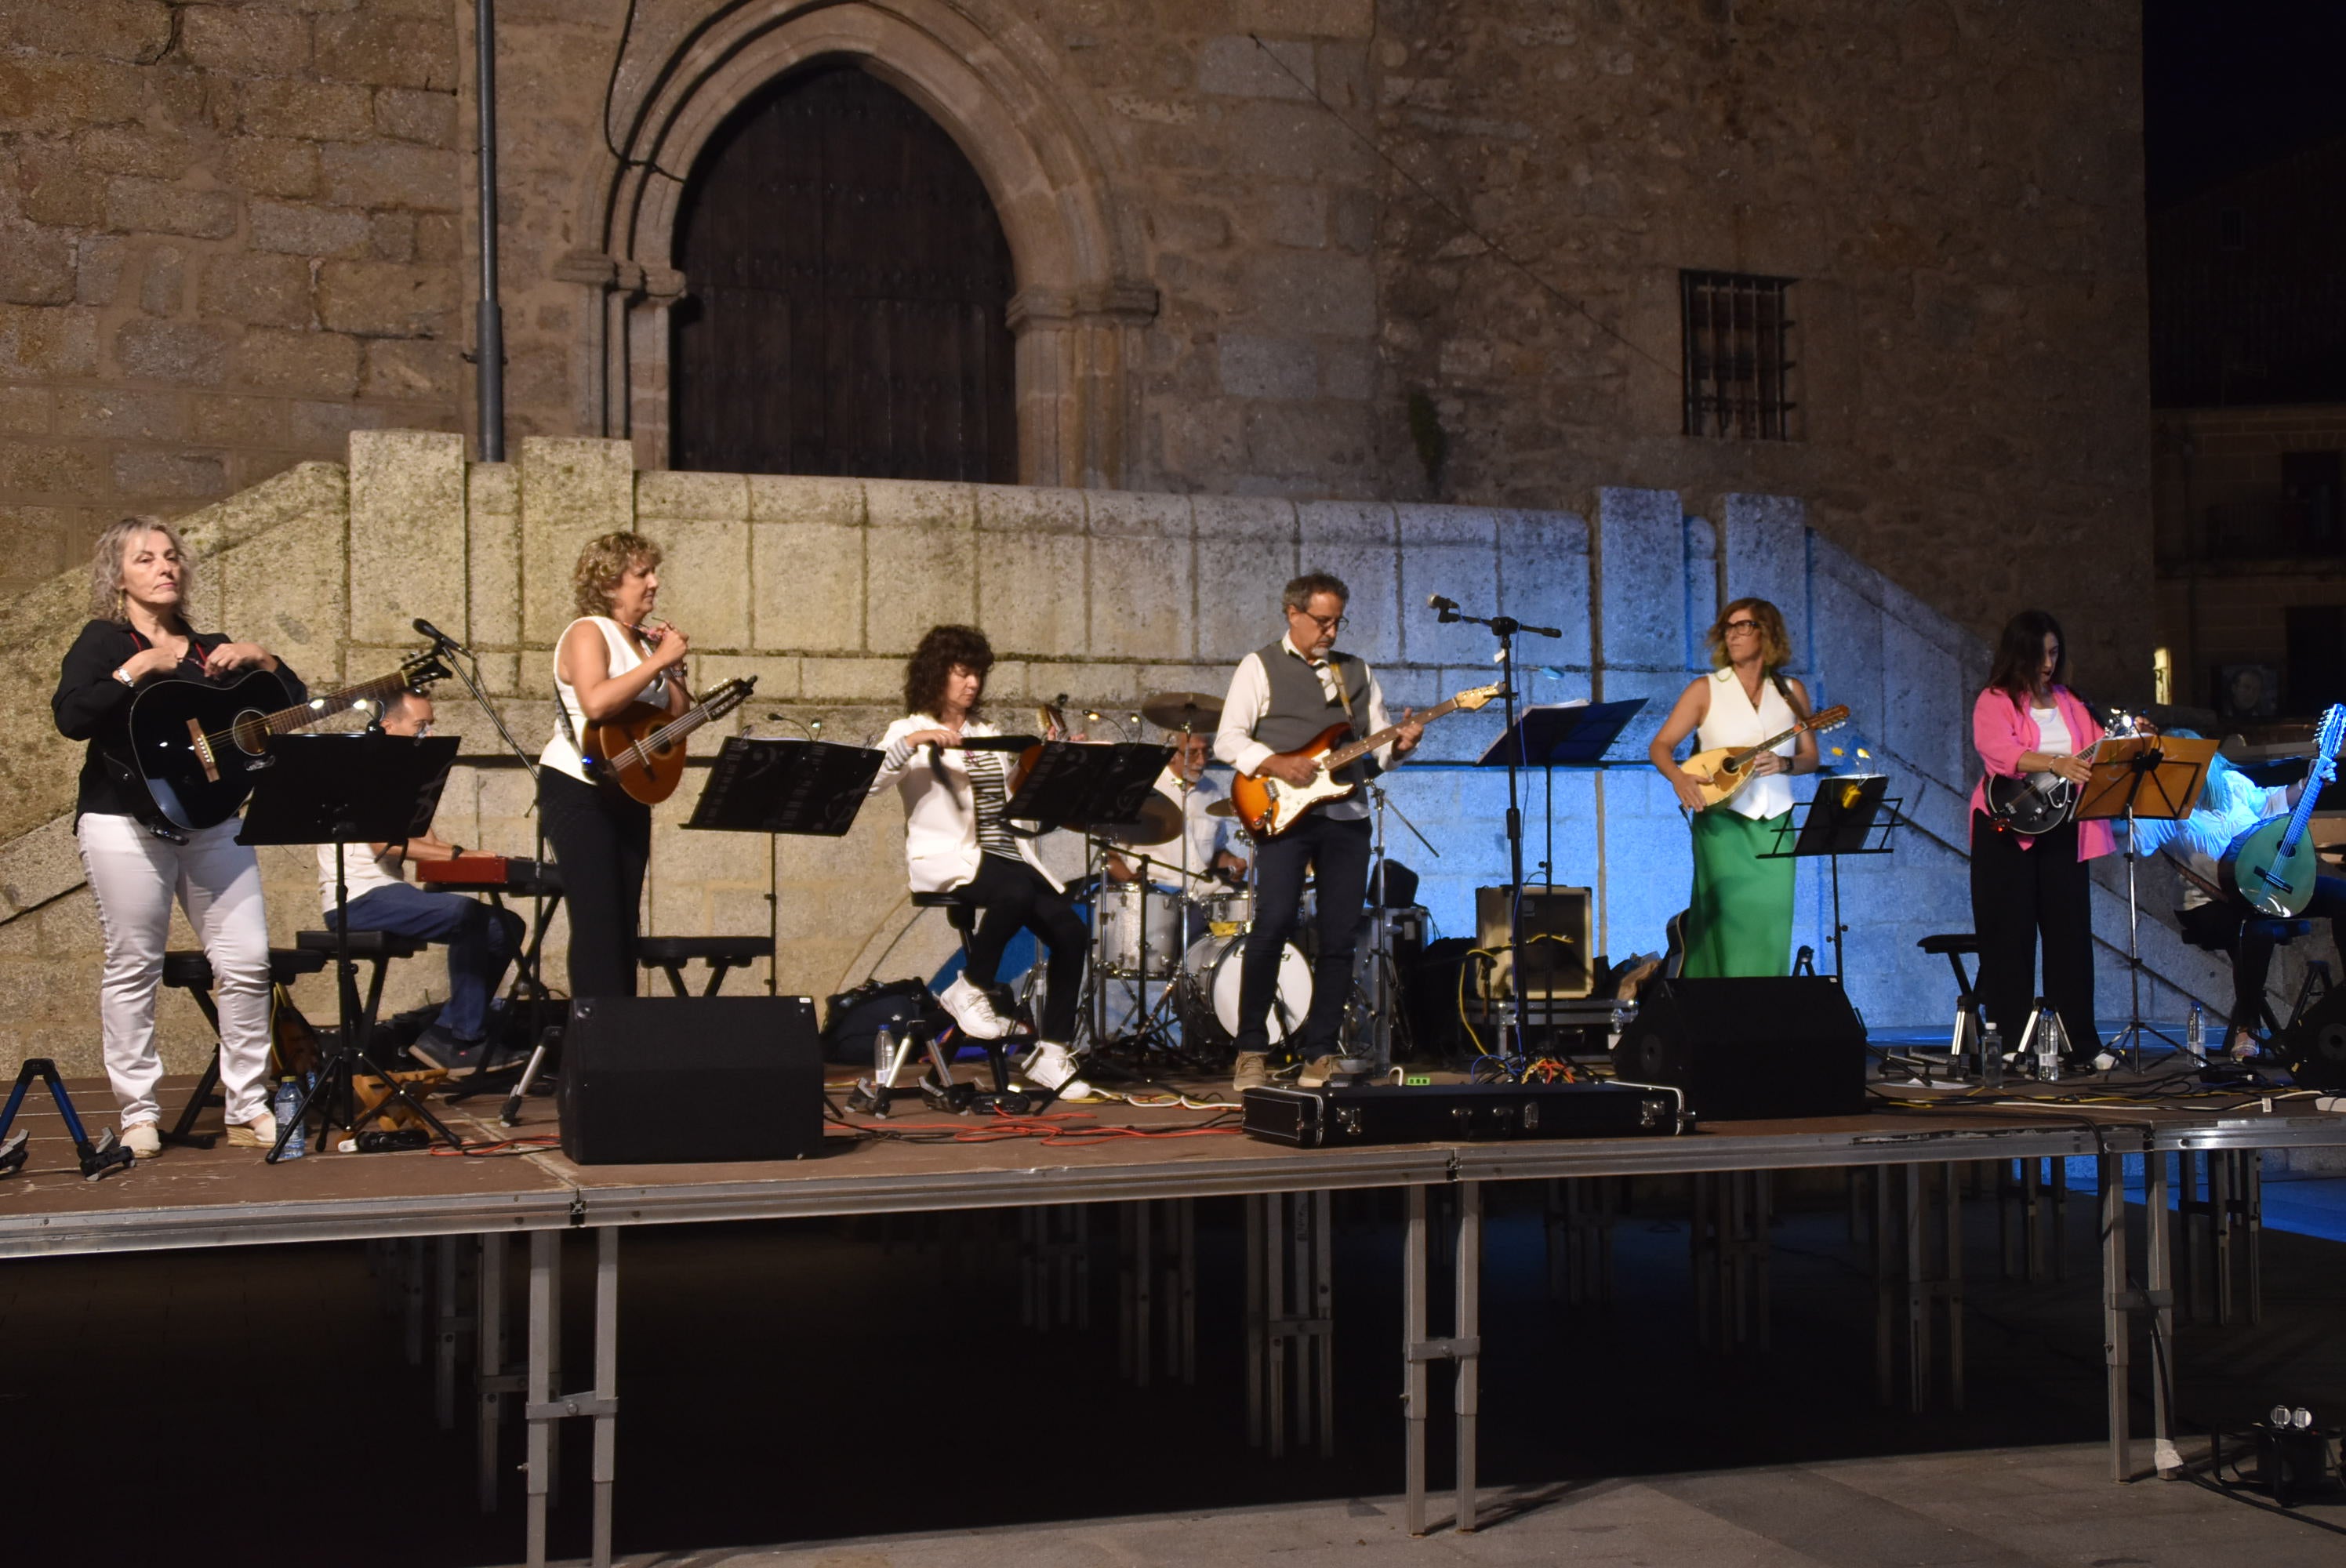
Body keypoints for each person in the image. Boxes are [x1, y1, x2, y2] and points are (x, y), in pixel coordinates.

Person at [52, 517, 301, 1157]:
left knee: (247, 962)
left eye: (171, 557)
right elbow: (71, 716)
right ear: (120, 576)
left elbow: (295, 711)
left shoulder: (211, 648)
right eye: (146, 559)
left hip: (216, 821)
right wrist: (137, 668)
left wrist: (266, 660)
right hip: (123, 821)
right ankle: (139, 1113)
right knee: (134, 963)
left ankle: (249, 1106)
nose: (165, 567)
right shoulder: (105, 641)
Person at [1215, 572, 1422, 1089]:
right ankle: (1251, 1051)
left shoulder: (1357, 671)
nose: (1331, 631)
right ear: (1293, 614)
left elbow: (1373, 754)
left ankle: (1320, 1053)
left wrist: (1398, 749)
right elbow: (1227, 741)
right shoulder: (1258, 666)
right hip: (1283, 815)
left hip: (1346, 817)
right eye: (1322, 620)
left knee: (1340, 937)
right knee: (1274, 923)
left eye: (1337, 621)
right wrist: (1278, 764)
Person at [871, 624, 1090, 1090]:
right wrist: (915, 742)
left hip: (1005, 853)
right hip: (948, 858)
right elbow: (869, 782)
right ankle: (969, 987)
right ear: (937, 673)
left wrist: (1056, 761)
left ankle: (1052, 1051)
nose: (973, 684)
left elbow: (1010, 796)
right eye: (963, 673)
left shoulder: (983, 733)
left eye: (978, 675)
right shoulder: (907, 729)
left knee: (1072, 932)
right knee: (1010, 891)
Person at [318, 689, 527, 1076]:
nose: (428, 736)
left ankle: (447, 1033)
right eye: (421, 726)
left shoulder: (405, 783)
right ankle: (463, 1038)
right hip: (358, 900)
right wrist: (466, 856)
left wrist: (492, 859)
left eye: (430, 727)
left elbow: (430, 845)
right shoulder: (364, 774)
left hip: (390, 894)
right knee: (464, 913)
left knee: (506, 926)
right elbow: (387, 845)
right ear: (387, 727)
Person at [539, 531, 689, 1000]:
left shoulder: (644, 645)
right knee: (599, 921)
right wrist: (657, 662)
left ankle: (623, 1038)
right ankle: (596, 1046)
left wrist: (674, 669)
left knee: (624, 919)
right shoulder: (589, 631)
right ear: (608, 584)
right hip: (578, 785)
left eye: (652, 572)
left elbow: (676, 720)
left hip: (626, 787)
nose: (654, 583)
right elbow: (597, 703)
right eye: (642, 574)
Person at [2127, 733, 2341, 1056]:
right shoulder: (2165, 806)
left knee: (2342, 895)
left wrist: (2306, 783)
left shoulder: (2231, 784)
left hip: (2265, 888)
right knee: (2255, 929)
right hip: (2207, 903)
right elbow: (2132, 842)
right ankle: (2247, 1029)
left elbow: (2270, 803)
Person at [1968, 608, 2112, 1068]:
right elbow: (1999, 752)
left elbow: (2097, 751)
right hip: (2007, 827)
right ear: (2020, 653)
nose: (2048, 663)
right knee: (2009, 936)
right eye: (2039, 653)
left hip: (2065, 827)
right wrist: (2055, 762)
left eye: (2054, 652)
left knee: (2070, 936)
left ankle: (2080, 1044)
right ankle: (2011, 1041)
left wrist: (2128, 746)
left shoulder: (2072, 701)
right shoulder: (1995, 699)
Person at [1647, 597, 1819, 978]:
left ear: (1768, 633)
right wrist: (1680, 779)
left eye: (1746, 626)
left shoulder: (1791, 691)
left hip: (1776, 824)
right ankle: (1716, 1012)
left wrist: (1786, 763)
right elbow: (1660, 747)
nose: (1735, 634)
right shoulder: (1705, 689)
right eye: (1730, 626)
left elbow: (1810, 756)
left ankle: (1765, 1015)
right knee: (1728, 920)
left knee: (1771, 922)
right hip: (1722, 823)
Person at [1107, 730, 1248, 898]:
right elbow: (1111, 854)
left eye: (1206, 752)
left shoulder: (1213, 791)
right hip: (1156, 894)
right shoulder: (1143, 789)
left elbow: (1215, 851)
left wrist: (1232, 862)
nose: (1202, 761)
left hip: (1203, 895)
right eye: (1193, 752)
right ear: (1172, 754)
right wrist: (1133, 887)